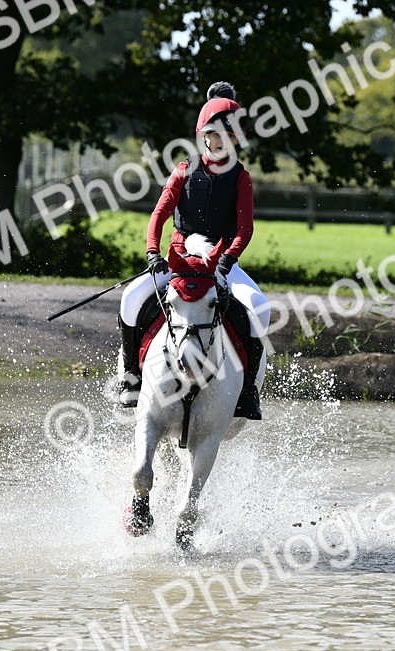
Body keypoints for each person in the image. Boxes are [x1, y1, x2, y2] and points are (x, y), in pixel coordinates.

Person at [115, 81, 270, 420]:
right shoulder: (184, 171)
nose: (222, 142)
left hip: (220, 261)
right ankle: (131, 378)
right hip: (180, 258)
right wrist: (153, 253)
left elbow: (245, 229)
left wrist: (229, 259)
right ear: (205, 136)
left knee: (260, 306)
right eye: (216, 135)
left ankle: (247, 392)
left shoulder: (241, 179)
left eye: (230, 136)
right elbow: (159, 214)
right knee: (130, 298)